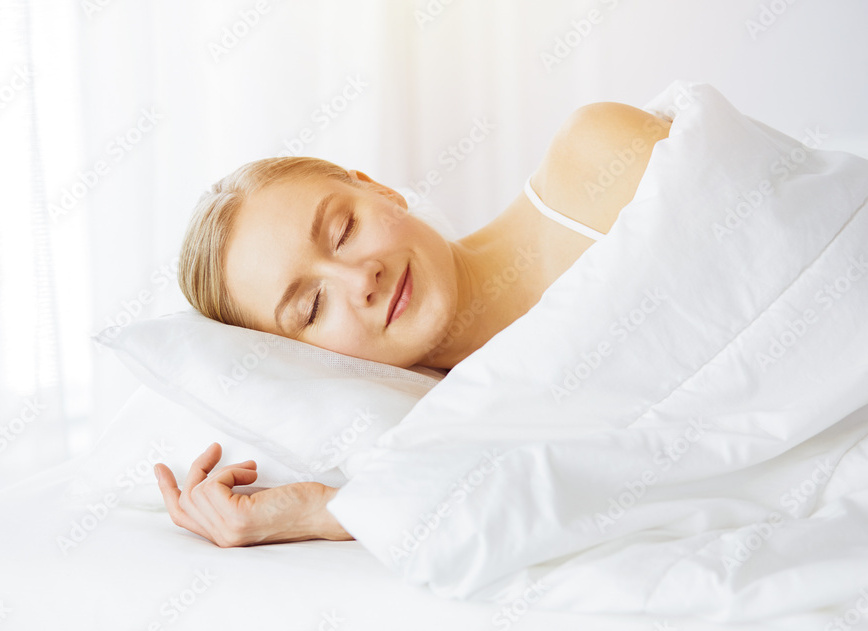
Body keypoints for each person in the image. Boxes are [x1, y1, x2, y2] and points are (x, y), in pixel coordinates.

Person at [154, 101, 672, 549]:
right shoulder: (454, 435)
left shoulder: (597, 158)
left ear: (380, 190)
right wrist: (319, 512)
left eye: (344, 230)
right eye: (312, 307)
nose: (361, 279)